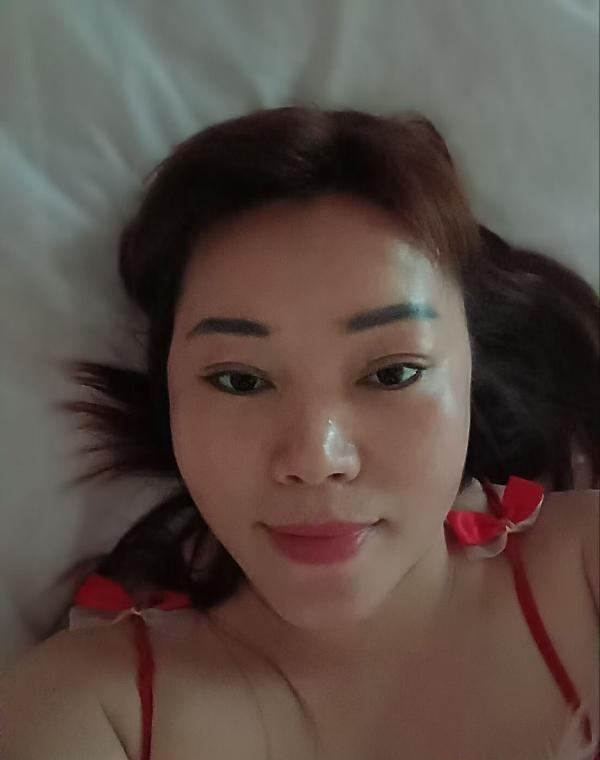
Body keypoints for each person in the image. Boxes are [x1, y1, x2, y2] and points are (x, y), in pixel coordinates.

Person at [1, 106, 598, 760]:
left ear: (472, 371)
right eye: (240, 380)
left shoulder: (587, 577)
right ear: (169, 398)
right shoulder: (88, 713)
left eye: (393, 373)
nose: (317, 459)